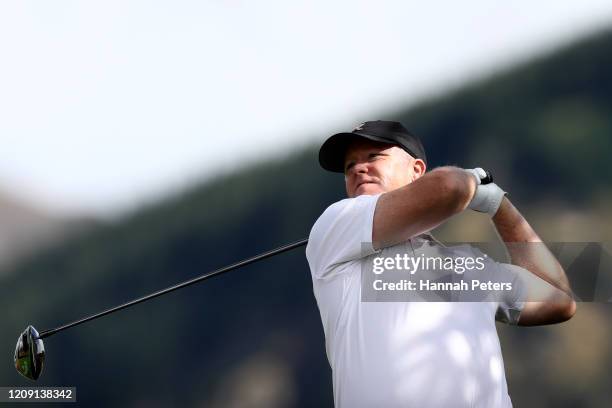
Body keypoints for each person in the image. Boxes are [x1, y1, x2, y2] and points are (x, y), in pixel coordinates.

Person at [305, 120, 576, 408]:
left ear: (417, 171)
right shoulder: (336, 226)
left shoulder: (470, 267)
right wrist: (473, 181)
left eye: (374, 157)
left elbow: (558, 299)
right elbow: (451, 186)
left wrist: (500, 206)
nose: (358, 168)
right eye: (350, 166)